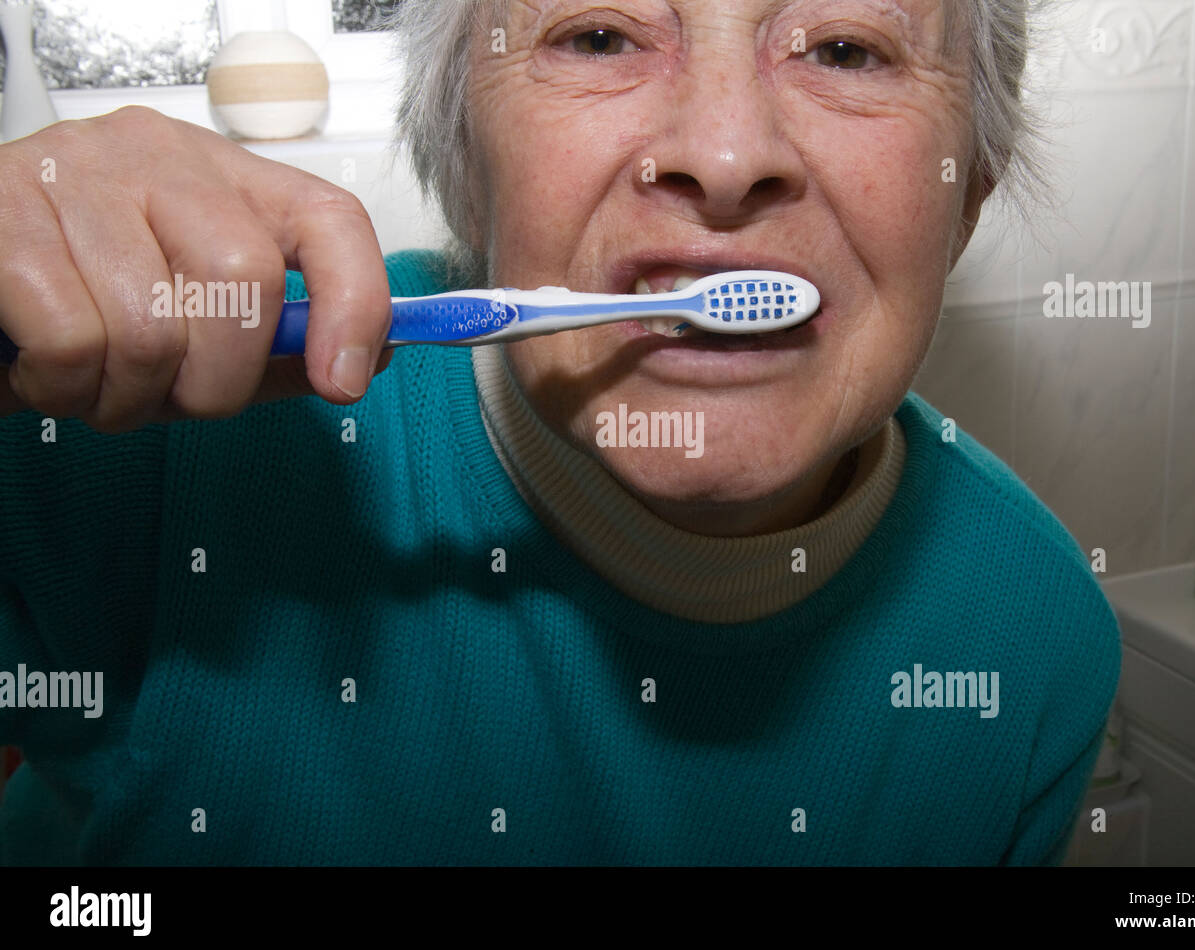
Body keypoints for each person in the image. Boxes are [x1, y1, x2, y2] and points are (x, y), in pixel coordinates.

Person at [0, 0, 1119, 865]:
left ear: (966, 189)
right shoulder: (155, 437)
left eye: (845, 49)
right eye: (597, 34)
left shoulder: (1032, 638)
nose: (726, 154)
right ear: (467, 168)